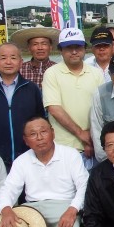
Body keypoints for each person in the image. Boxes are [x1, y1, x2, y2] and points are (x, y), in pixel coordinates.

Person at [0, 43, 45, 170]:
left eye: (13, 57)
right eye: (3, 58)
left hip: (28, 156)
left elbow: (41, 119)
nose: (8, 62)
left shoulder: (32, 89)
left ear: (21, 62)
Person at [42, 28, 104, 170]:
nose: (74, 52)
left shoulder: (96, 73)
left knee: (93, 190)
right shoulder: (52, 73)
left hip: (93, 145)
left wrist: (91, 139)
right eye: (69, 48)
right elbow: (54, 109)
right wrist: (81, 134)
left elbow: (101, 109)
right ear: (60, 50)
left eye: (78, 47)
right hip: (63, 147)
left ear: (85, 49)